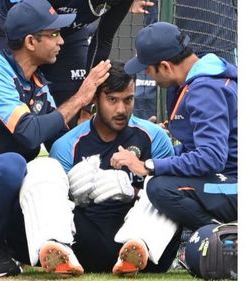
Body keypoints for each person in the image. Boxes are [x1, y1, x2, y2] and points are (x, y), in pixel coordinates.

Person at [0, 0, 111, 276]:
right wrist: (81, 97)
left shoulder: (37, 83)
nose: (62, 40)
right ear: (31, 41)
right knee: (12, 163)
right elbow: (29, 132)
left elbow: (62, 143)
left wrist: (112, 137)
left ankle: (47, 246)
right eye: (53, 34)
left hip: (12, 197)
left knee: (50, 168)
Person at [28, 61, 177, 276]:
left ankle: (137, 248)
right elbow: (55, 204)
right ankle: (57, 247)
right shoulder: (67, 145)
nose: (121, 109)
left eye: (128, 100)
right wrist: (73, 194)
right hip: (86, 244)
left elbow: (172, 194)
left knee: (166, 183)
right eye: (112, 100)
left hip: (148, 246)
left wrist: (133, 192)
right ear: (96, 99)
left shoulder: (155, 137)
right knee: (41, 168)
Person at [110, 21, 237, 271]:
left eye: (149, 70)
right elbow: (194, 148)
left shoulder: (205, 89)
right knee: (158, 181)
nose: (149, 76)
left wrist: (149, 165)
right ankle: (142, 246)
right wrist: (153, 161)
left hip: (234, 181)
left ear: (165, 66)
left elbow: (211, 157)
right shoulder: (194, 81)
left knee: (160, 188)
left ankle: (226, 240)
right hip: (227, 177)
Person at [0, 0, 153, 127]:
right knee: (14, 94)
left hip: (68, 30)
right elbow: (27, 17)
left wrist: (85, 107)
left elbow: (103, 39)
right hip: (17, 27)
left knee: (72, 116)